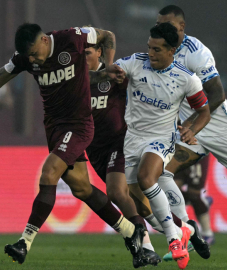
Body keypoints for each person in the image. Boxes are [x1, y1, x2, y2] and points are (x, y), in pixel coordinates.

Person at [0, 23, 149, 268]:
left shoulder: (73, 38)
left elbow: (108, 35)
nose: (33, 59)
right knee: (82, 189)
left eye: (35, 52)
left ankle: (24, 242)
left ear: (44, 40)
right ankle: (133, 231)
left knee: (49, 173)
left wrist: (108, 66)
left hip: (78, 125)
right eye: (29, 56)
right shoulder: (25, 58)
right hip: (54, 128)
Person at [128, 5, 224, 261]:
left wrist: (192, 125)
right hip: (187, 131)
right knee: (159, 174)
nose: (162, 28)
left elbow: (216, 94)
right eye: (159, 23)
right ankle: (185, 231)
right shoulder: (158, 51)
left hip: (215, 124)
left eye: (168, 25)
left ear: (182, 27)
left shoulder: (196, 52)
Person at [114, 22, 211, 269]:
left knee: (148, 177)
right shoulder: (136, 62)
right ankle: (187, 230)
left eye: (157, 49)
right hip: (133, 138)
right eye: (149, 47)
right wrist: (106, 73)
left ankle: (173, 240)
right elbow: (112, 71)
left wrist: (192, 130)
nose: (151, 53)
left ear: (171, 51)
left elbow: (204, 111)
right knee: (144, 205)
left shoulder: (187, 79)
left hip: (161, 139)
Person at [84, 44, 161, 265]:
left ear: (99, 52)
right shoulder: (79, 82)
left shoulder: (116, 75)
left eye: (88, 53)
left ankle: (145, 246)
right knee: (136, 202)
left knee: (116, 192)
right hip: (95, 149)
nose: (83, 58)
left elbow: (141, 90)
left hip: (119, 142)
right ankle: (180, 230)